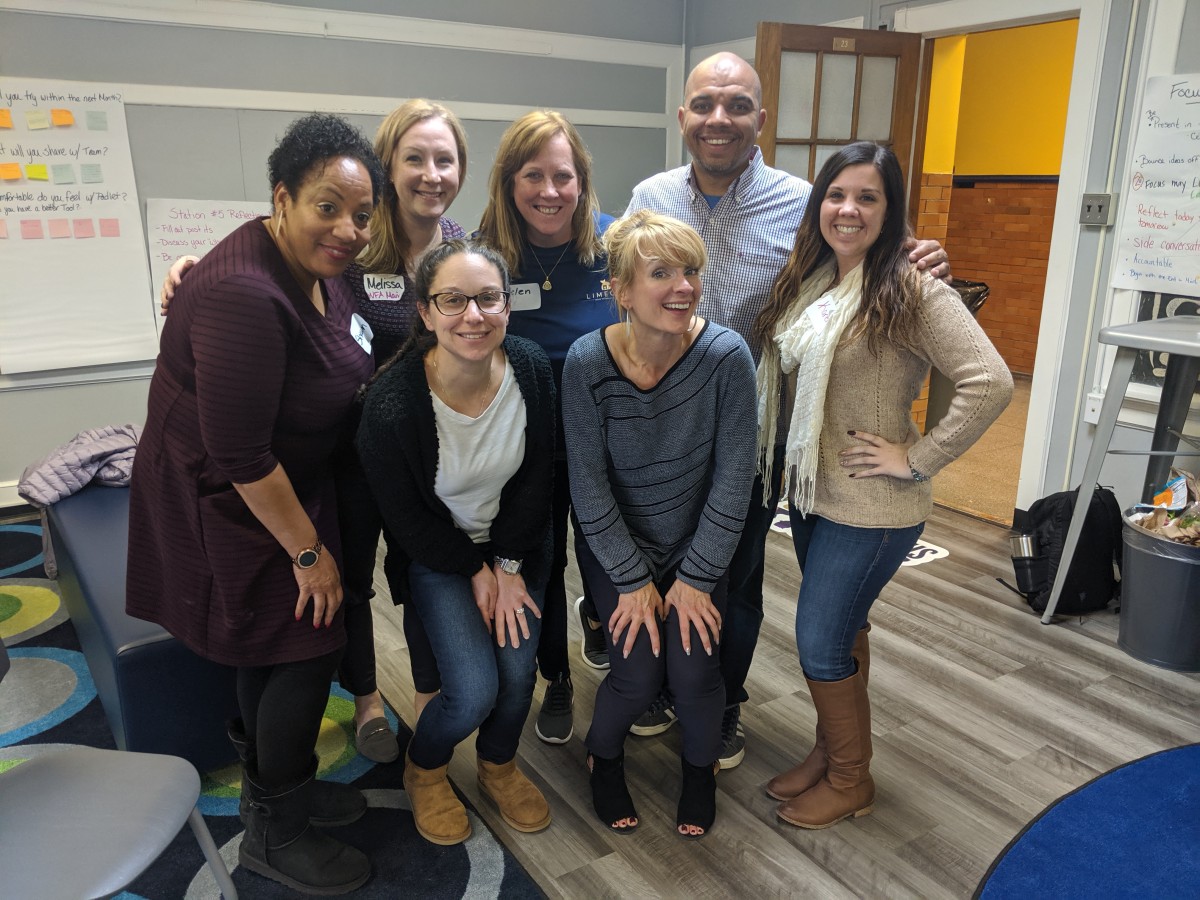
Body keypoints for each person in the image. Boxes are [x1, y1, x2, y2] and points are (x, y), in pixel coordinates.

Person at [626, 51, 952, 768]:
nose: (720, 119)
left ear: (760, 120)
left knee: (734, 582)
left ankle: (724, 701)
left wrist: (914, 255)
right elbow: (623, 286)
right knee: (653, 568)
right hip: (653, 428)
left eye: (737, 105)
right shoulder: (648, 194)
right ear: (682, 116)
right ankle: (650, 688)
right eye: (704, 104)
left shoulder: (803, 203)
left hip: (751, 431)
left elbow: (858, 260)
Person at [160, 99, 469, 760]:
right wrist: (192, 272)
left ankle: (425, 696)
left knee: (423, 576)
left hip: (429, 460)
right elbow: (264, 278)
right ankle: (365, 702)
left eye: (446, 159)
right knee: (348, 585)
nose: (431, 174)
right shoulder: (350, 252)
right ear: (387, 169)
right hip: (345, 457)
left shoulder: (464, 253)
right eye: (414, 158)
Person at [127, 113, 386, 894]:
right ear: (283, 197)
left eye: (361, 213)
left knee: (269, 645)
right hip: (230, 499)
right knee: (305, 646)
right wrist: (308, 553)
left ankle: (276, 790)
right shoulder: (245, 292)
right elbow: (238, 452)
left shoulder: (317, 262)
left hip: (279, 484)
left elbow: (379, 318)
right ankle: (277, 833)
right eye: (328, 206)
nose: (347, 228)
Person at [753, 141, 1012, 830]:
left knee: (818, 641)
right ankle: (828, 752)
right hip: (816, 494)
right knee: (842, 631)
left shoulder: (912, 287)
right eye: (837, 194)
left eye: (868, 197)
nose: (848, 209)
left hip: (875, 506)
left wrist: (919, 457)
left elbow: (991, 381)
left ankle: (850, 778)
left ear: (891, 211)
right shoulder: (816, 282)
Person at [562, 210, 757, 839]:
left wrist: (697, 578)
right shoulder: (586, 363)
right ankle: (604, 755)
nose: (683, 286)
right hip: (617, 543)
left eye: (691, 271)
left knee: (698, 668)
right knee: (640, 670)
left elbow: (736, 478)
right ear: (620, 290)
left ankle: (699, 773)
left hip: (697, 543)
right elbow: (587, 485)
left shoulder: (726, 356)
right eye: (661, 273)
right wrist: (630, 577)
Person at [356, 239, 556, 846]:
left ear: (507, 304)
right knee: (471, 691)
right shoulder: (390, 405)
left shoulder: (531, 367)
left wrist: (510, 565)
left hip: (518, 548)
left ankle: (497, 764)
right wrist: (475, 569)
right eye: (453, 300)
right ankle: (427, 767)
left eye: (488, 298)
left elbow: (539, 477)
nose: (473, 316)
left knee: (520, 677)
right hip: (439, 555)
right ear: (425, 311)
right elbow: (407, 520)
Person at [474, 109, 615, 744]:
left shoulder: (616, 245)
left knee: (607, 557)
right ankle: (555, 679)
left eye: (563, 175)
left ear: (582, 181)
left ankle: (619, 660)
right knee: (541, 564)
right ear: (509, 183)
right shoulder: (485, 254)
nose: (549, 191)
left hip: (606, 444)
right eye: (534, 175)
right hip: (522, 449)